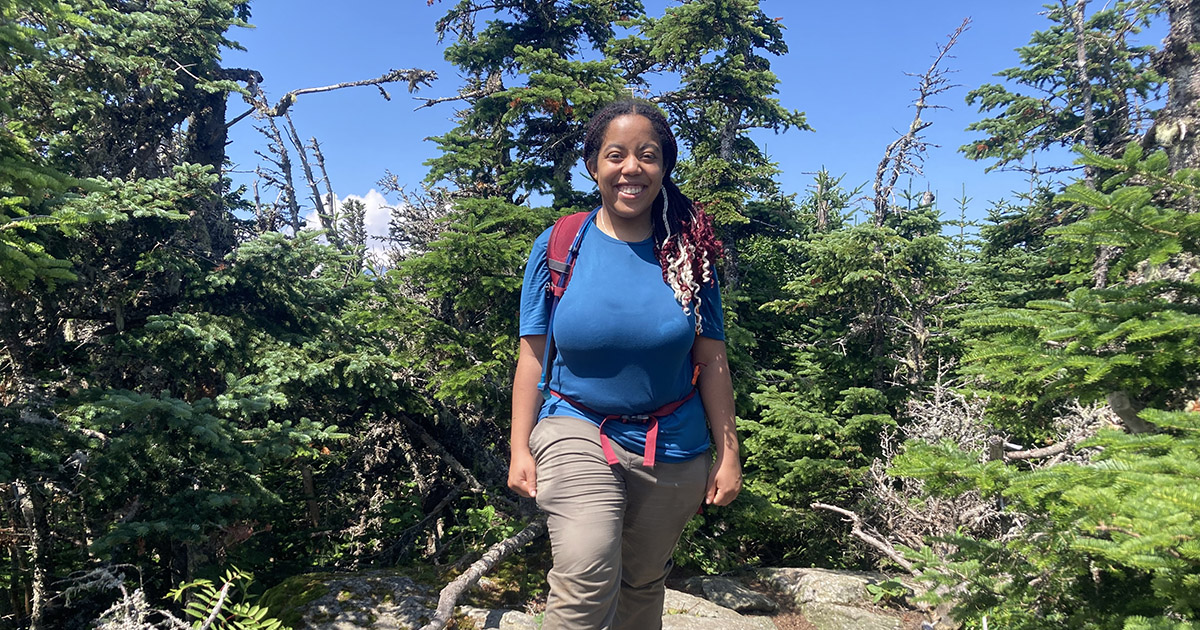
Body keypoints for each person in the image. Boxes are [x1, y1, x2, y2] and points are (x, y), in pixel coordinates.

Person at [508, 98, 742, 630]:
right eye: (616, 155)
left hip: (674, 444)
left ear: (664, 167)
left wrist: (729, 454)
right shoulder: (560, 245)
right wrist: (519, 446)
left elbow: (711, 357)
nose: (631, 168)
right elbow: (532, 355)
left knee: (641, 583)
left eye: (648, 155)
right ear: (594, 166)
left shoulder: (687, 253)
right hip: (577, 425)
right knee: (586, 571)